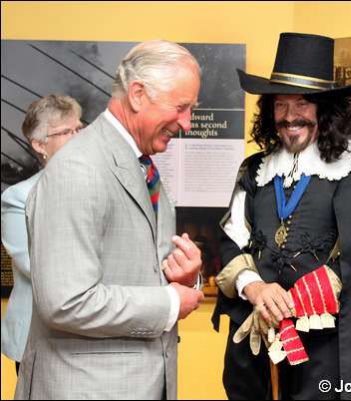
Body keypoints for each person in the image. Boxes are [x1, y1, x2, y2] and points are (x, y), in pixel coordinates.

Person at [14, 40, 205, 400]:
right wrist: (168, 303)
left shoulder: (141, 166)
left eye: (191, 109)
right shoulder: (78, 169)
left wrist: (184, 276)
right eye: (181, 108)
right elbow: (66, 302)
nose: (186, 123)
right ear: (137, 94)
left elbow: (142, 270)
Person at [212, 32, 351, 400]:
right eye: (280, 105)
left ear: (325, 112)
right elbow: (231, 240)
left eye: (301, 104)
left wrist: (297, 302)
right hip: (259, 346)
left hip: (327, 353)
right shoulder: (253, 171)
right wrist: (256, 287)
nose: (289, 117)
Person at [1, 94, 84, 376]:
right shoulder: (18, 198)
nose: (76, 137)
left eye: (79, 129)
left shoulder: (102, 188)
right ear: (39, 145)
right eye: (65, 132)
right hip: (37, 339)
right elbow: (34, 265)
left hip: (92, 338)